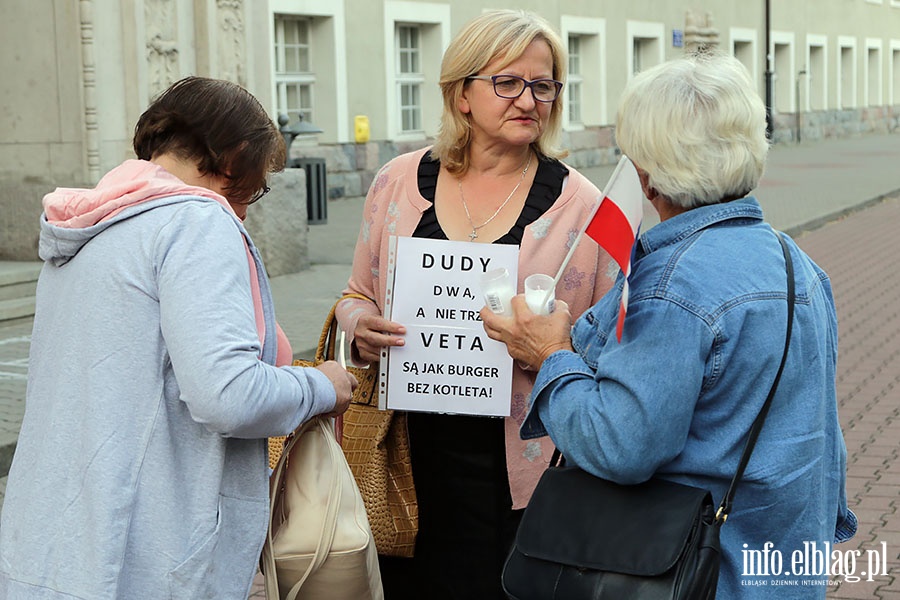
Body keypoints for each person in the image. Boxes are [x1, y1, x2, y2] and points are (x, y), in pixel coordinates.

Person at [480, 51, 857, 598]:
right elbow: (815, 438)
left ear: (648, 172)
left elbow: (619, 446)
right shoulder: (795, 261)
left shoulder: (669, 288)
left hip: (700, 573)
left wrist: (551, 355)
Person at [0, 76, 357, 599]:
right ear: (233, 158)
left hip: (56, 541)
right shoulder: (195, 222)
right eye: (253, 186)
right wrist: (322, 388)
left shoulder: (94, 223)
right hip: (145, 550)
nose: (246, 205)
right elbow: (227, 396)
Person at [335, 9, 615, 599]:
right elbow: (355, 295)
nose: (528, 100)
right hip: (407, 462)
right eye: (508, 82)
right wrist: (361, 326)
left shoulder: (583, 207)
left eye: (543, 86)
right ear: (462, 94)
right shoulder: (396, 181)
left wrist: (554, 348)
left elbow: (614, 341)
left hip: (522, 475)